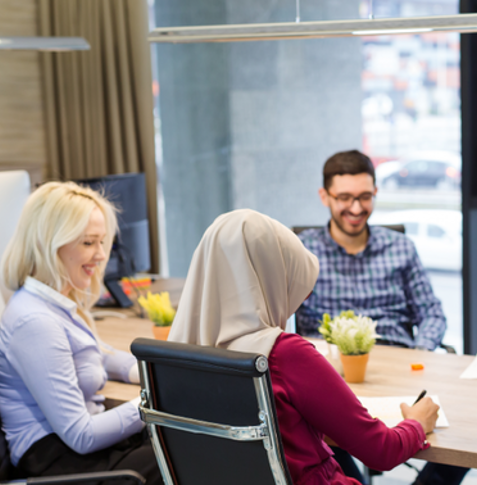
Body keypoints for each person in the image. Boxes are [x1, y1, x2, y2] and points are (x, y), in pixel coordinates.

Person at [167, 209, 440, 484]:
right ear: (269, 280)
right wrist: (417, 423)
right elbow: (383, 451)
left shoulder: (174, 358)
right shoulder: (281, 354)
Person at [0, 182, 162, 483]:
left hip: (78, 448)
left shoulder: (53, 300)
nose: (100, 255)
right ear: (50, 244)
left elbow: (96, 351)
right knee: (186, 456)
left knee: (184, 443)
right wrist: (155, 400)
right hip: (57, 459)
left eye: (102, 242)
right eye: (88, 243)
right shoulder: (35, 322)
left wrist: (144, 371)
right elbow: (80, 435)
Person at [295, 150, 447, 351]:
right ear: (325, 197)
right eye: (345, 197)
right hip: (326, 366)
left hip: (395, 359)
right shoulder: (301, 252)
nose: (356, 209)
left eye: (365, 197)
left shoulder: (401, 248)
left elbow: (431, 313)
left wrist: (421, 350)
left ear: (375, 192)